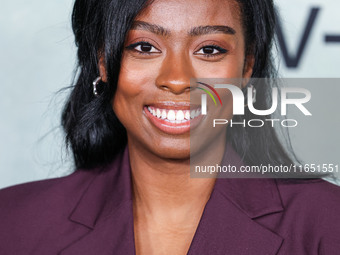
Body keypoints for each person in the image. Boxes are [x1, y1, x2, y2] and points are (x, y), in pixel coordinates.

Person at [1, 0, 340, 254]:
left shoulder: (326, 223)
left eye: (209, 50)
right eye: (144, 47)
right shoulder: (13, 223)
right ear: (103, 60)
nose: (177, 80)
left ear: (247, 65)